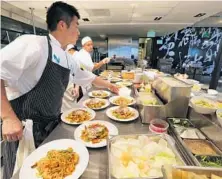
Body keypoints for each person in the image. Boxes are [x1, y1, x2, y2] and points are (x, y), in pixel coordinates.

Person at [0, 2, 118, 179]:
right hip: (24, 131)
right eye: (76, 25)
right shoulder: (34, 44)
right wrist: (8, 117)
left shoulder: (67, 58)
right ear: (62, 24)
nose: (78, 32)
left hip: (51, 127)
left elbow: (89, 77)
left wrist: (112, 86)